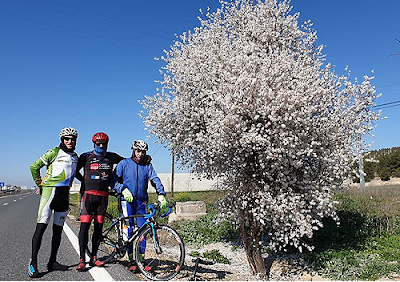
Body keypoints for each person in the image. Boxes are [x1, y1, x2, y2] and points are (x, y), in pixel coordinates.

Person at [28, 127, 79, 278]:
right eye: (66, 138)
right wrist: (40, 185)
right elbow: (34, 167)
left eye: (72, 139)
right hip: (50, 192)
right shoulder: (54, 152)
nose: (70, 141)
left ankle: (52, 262)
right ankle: (33, 264)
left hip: (64, 195)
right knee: (41, 228)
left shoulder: (75, 156)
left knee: (58, 231)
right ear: (62, 139)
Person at [114, 139, 168, 272]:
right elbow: (113, 180)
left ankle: (141, 260)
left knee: (144, 230)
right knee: (129, 230)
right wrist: (122, 189)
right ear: (133, 150)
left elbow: (154, 179)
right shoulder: (124, 163)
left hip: (141, 202)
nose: (140, 154)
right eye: (138, 151)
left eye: (143, 152)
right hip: (127, 201)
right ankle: (131, 260)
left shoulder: (147, 166)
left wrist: (161, 193)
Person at [75, 132, 124, 271]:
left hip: (103, 196)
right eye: (98, 144)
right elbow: (75, 171)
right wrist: (83, 180)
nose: (101, 146)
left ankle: (94, 257)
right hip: (88, 196)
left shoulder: (111, 156)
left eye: (104, 144)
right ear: (94, 144)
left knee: (98, 228)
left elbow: (127, 162)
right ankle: (82, 260)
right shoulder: (86, 156)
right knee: (84, 227)